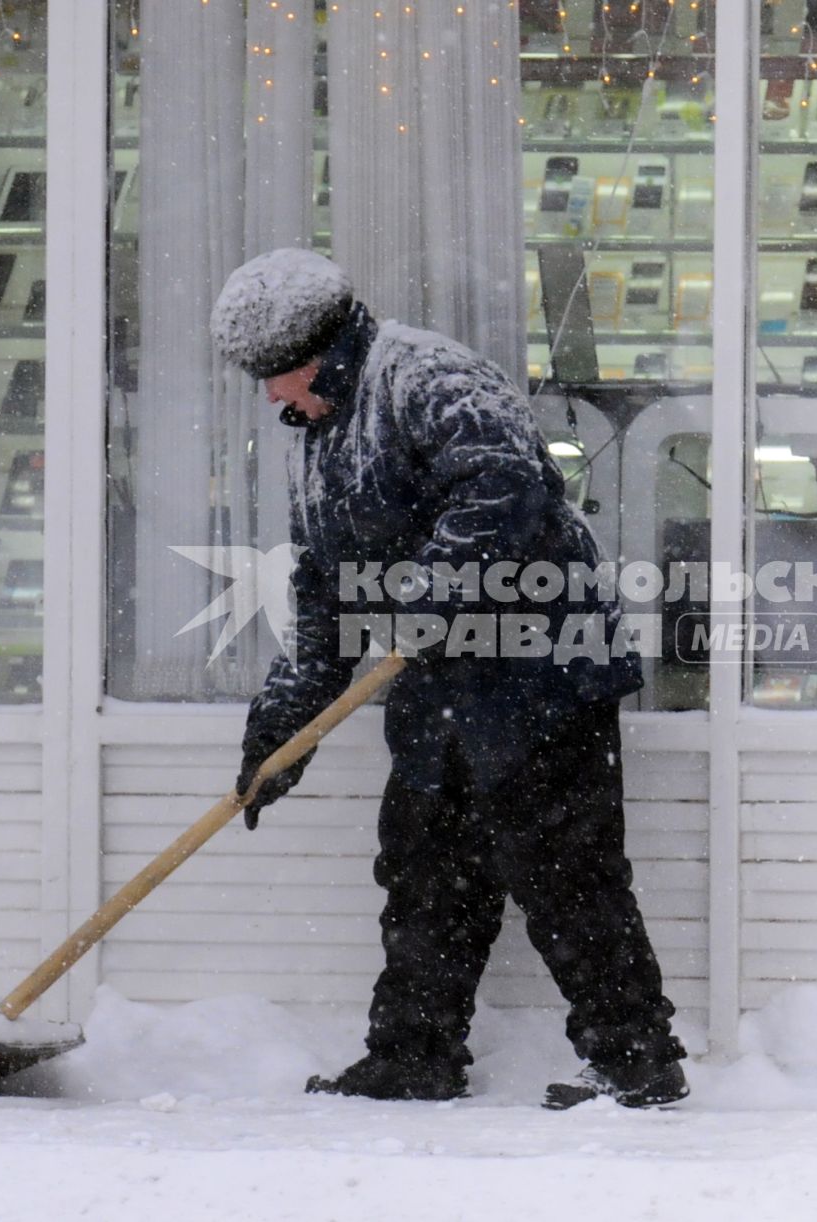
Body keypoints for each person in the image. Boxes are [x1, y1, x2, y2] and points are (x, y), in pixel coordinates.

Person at [210, 248, 689, 1108]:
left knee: (565, 874)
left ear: (317, 352)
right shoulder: (316, 439)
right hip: (439, 678)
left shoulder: (428, 376)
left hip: (542, 666)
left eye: (275, 377)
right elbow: (321, 594)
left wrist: (432, 594)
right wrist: (280, 733)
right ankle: (414, 1054)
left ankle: (635, 1061)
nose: (272, 397)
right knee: (427, 870)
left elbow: (504, 486)